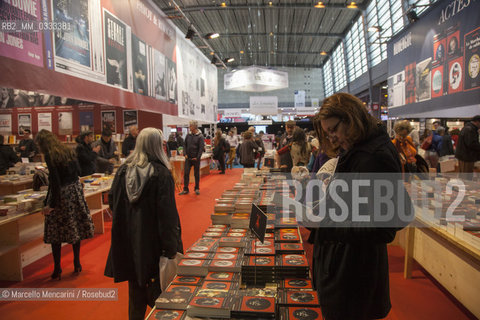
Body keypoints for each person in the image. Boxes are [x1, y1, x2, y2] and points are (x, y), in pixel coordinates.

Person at [311, 93, 411, 320]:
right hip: (344, 266)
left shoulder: (374, 156)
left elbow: (384, 227)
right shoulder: (359, 147)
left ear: (351, 118)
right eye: (328, 133)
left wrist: (325, 224)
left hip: (353, 273)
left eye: (334, 130)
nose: (333, 138)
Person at [104, 128, 183, 320]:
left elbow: (112, 201)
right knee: (162, 297)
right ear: (158, 145)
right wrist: (172, 248)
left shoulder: (123, 170)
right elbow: (167, 215)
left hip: (129, 242)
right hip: (154, 244)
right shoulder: (162, 174)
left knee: (135, 296)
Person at [35, 130, 94, 280]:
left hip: (62, 194)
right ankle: (77, 263)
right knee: (74, 227)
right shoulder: (66, 150)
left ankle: (57, 268)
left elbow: (55, 181)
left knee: (55, 232)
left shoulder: (50, 155)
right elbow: (78, 171)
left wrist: (51, 204)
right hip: (74, 190)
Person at [179, 120, 205, 195]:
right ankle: (185, 189)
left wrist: (197, 157)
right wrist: (185, 154)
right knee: (186, 173)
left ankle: (197, 188)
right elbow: (184, 145)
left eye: (190, 126)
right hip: (188, 158)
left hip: (196, 159)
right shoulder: (188, 135)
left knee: (196, 174)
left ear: (194, 126)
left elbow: (201, 148)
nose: (189, 127)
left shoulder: (200, 136)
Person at [455, 115, 480, 179]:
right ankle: (465, 188)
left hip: (464, 156)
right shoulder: (470, 129)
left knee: (464, 175)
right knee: (466, 176)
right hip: (467, 157)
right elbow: (471, 144)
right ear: (477, 122)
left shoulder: (467, 127)